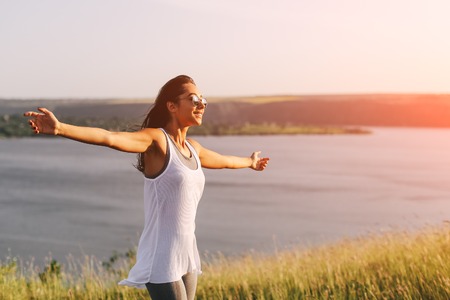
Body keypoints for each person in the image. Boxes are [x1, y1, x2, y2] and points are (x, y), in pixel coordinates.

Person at [24, 75, 269, 300]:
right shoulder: (156, 141)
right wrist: (60, 128)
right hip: (162, 257)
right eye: (194, 99)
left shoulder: (194, 148)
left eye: (203, 99)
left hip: (186, 253)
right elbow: (110, 137)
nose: (202, 104)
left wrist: (250, 162)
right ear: (171, 106)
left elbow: (225, 161)